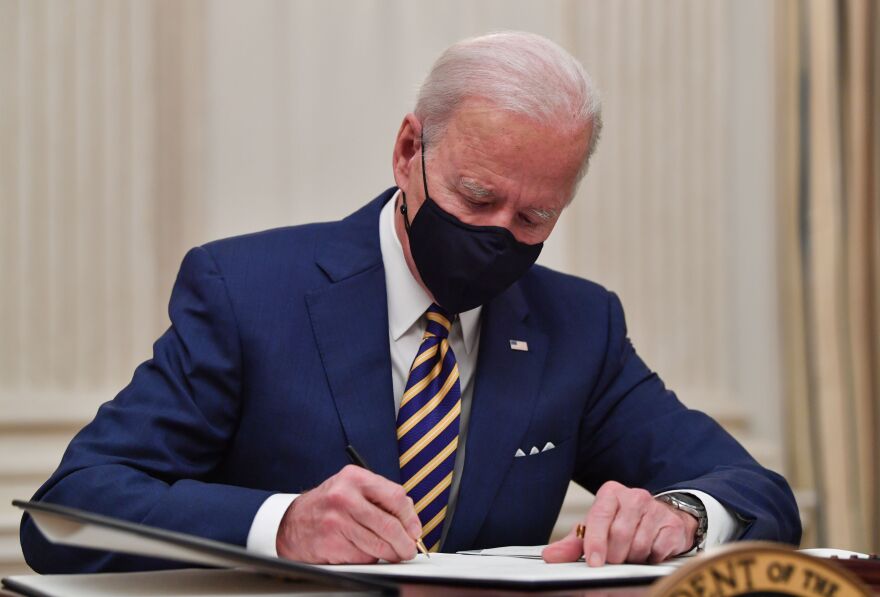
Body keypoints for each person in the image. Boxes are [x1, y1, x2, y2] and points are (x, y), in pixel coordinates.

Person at [20, 31, 801, 574]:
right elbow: (68, 512)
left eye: (533, 217)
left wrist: (685, 516)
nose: (500, 233)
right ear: (407, 151)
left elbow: (756, 493)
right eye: (477, 196)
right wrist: (282, 526)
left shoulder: (578, 327)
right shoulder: (246, 292)